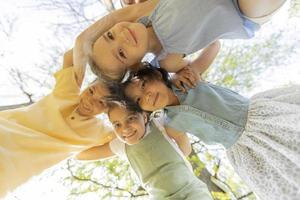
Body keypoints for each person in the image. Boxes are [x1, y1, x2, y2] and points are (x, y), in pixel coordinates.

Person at [121, 51, 300, 199]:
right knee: (284, 178)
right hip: (246, 150)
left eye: (144, 85)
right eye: (139, 99)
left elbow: (214, 45)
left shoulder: (189, 79)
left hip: (261, 121)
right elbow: (183, 151)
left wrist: (180, 68)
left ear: (158, 75)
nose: (147, 96)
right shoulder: (171, 124)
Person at [0, 48, 115, 197]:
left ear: (107, 110)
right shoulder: (66, 93)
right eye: (91, 91)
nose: (90, 100)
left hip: (10, 172)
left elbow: (124, 142)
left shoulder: (98, 132)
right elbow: (72, 55)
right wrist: (111, 40)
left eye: (101, 102)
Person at [76, 0, 286, 81]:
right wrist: (194, 72)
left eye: (110, 35)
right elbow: (214, 45)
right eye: (121, 53)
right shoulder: (169, 59)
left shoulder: (147, 11)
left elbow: (110, 18)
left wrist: (80, 45)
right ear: (136, 65)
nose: (122, 38)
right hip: (242, 10)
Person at [76, 98, 213, 200]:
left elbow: (184, 144)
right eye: (117, 124)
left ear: (145, 116)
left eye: (131, 118)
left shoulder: (159, 123)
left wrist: (179, 159)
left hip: (191, 190)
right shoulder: (120, 145)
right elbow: (81, 155)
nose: (125, 128)